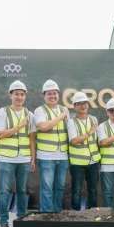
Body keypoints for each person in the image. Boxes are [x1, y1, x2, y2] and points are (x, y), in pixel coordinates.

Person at [0, 80, 36, 227]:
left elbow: (31, 138)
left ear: (25, 97)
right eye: (16, 94)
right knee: (5, 190)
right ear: (10, 95)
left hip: (24, 158)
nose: (19, 97)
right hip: (6, 158)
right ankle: (3, 221)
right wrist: (18, 127)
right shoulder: (2, 112)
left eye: (22, 94)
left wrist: (33, 158)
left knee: (22, 190)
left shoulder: (29, 115)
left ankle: (22, 218)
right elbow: (0, 134)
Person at [33, 79, 69, 213]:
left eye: (54, 93)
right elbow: (43, 126)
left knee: (60, 187)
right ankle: (47, 215)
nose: (52, 96)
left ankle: (57, 213)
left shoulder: (64, 110)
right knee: (47, 187)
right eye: (49, 94)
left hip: (63, 155)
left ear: (58, 95)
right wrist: (61, 116)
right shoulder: (39, 110)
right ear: (44, 96)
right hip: (47, 156)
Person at [67, 91, 101, 210]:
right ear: (75, 106)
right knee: (76, 190)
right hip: (77, 163)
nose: (83, 106)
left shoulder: (94, 119)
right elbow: (74, 141)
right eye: (79, 103)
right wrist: (89, 133)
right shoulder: (71, 122)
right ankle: (75, 215)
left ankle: (92, 215)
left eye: (85, 103)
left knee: (93, 190)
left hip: (93, 161)